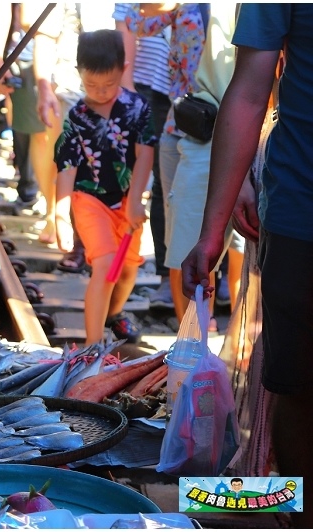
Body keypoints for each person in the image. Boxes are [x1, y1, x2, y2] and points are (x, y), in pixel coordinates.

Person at [181, 5, 313, 527]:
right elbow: (250, 90)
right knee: (297, 386)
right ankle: (297, 516)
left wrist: (212, 230)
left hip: (297, 212)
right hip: (300, 213)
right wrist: (212, 230)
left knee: (299, 389)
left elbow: (253, 88)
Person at [54, 29, 156, 344]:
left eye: (109, 84)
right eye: (91, 85)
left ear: (123, 69)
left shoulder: (138, 107)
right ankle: (92, 344)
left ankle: (113, 315)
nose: (100, 91)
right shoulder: (76, 116)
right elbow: (67, 165)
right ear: (80, 75)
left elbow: (144, 154)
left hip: (127, 200)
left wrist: (136, 200)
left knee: (126, 271)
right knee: (106, 264)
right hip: (90, 199)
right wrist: (59, 213)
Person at [161, 2, 244, 329]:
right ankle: (192, 353)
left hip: (275, 135)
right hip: (203, 129)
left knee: (251, 262)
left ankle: (241, 349)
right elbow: (144, 14)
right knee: (187, 251)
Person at [126, 3, 208, 325]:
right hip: (181, 125)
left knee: (229, 234)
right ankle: (187, 333)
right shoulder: (181, 8)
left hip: (229, 128)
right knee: (179, 233)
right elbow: (137, 22)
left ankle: (217, 323)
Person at [0, 2, 83, 250]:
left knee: (62, 139)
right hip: (33, 53)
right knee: (43, 135)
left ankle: (64, 214)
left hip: (80, 52)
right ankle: (52, 211)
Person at [113, 3, 173, 309]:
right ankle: (163, 276)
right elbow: (124, 26)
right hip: (144, 87)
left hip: (191, 90)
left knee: (174, 184)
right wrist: (128, 90)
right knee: (155, 183)